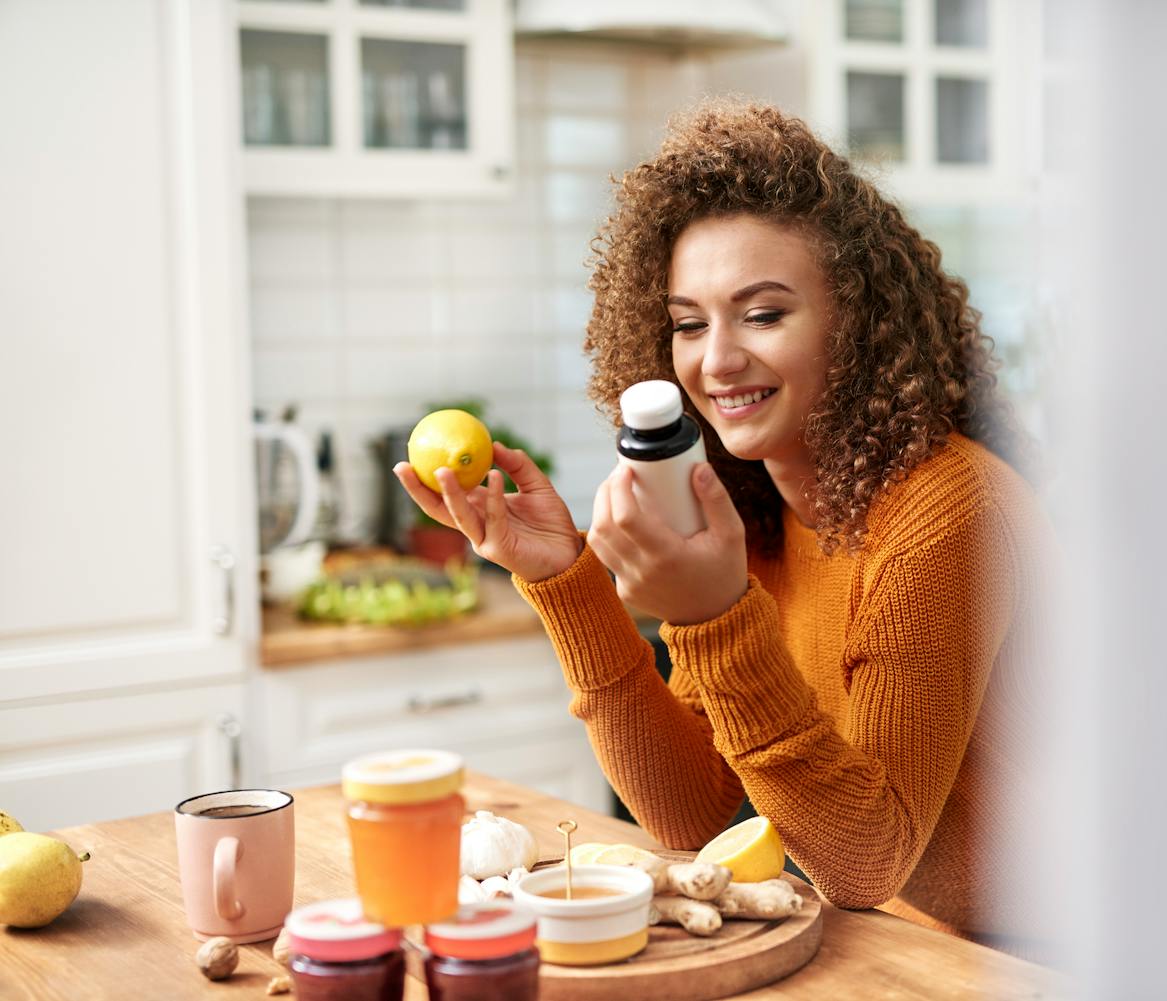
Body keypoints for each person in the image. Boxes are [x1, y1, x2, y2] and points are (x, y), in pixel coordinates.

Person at [395, 100, 1059, 953]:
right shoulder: (753, 506)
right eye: (688, 323)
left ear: (857, 325)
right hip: (899, 943)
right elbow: (697, 810)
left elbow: (867, 860)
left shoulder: (950, 512)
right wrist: (568, 582)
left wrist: (712, 616)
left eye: (764, 313)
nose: (716, 360)